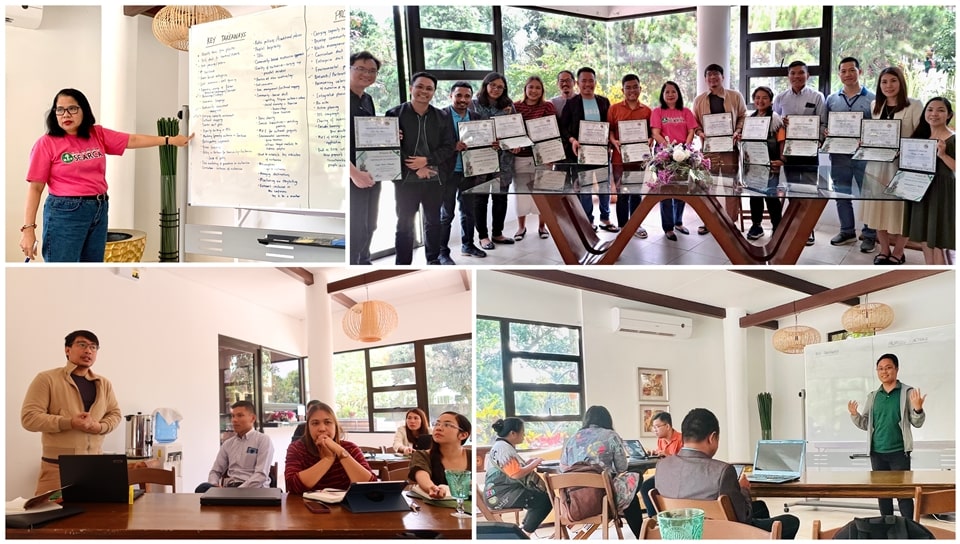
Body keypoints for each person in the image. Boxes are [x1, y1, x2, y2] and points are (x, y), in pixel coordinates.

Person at [21, 88, 194, 262]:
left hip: (99, 208)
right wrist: (28, 230)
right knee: (63, 271)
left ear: (84, 111)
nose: (66, 114)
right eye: (60, 110)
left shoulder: (96, 134)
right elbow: (35, 188)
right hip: (65, 212)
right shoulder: (46, 143)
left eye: (72, 109)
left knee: (93, 270)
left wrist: (169, 140)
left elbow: (131, 140)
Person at [655, 408, 800, 539]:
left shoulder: (662, 466)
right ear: (712, 438)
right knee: (791, 521)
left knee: (760, 507)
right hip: (722, 534)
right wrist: (742, 489)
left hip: (684, 534)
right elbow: (744, 519)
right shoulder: (722, 471)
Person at [21, 330, 121, 495]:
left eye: (93, 347)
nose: (88, 351)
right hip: (56, 468)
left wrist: (100, 427)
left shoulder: (104, 384)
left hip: (95, 469)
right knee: (48, 518)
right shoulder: (46, 379)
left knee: (94, 520)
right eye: (82, 345)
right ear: (67, 350)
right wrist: (69, 422)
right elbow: (29, 418)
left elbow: (115, 414)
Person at [385, 72, 455, 265]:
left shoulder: (442, 116)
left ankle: (433, 260)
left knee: (433, 223)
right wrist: (415, 168)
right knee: (405, 225)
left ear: (433, 92)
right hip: (406, 181)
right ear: (411, 88)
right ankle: (403, 263)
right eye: (420, 86)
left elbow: (449, 147)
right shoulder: (394, 114)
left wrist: (427, 161)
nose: (424, 91)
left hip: (434, 179)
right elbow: (389, 149)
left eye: (429, 88)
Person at [848, 353, 926, 519]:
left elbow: (917, 422)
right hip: (877, 452)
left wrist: (918, 409)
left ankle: (909, 529)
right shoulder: (873, 396)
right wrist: (854, 414)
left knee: (903, 494)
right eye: (880, 369)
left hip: (899, 452)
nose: (884, 371)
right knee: (883, 494)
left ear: (896, 369)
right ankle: (886, 528)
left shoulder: (907, 392)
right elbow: (865, 424)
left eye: (888, 367)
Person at [861, 67, 923, 265]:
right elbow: (873, 134)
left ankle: (898, 251)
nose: (888, 86)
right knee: (878, 208)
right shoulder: (875, 105)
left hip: (902, 167)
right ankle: (884, 249)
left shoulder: (914, 105)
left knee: (902, 211)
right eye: (884, 82)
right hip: (876, 165)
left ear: (901, 82)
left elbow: (920, 136)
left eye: (893, 81)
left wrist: (903, 150)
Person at [560, 405, 643, 538]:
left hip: (575, 501)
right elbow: (622, 467)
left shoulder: (571, 439)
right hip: (602, 498)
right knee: (637, 475)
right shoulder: (611, 436)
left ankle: (626, 513)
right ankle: (640, 533)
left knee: (630, 499)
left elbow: (563, 467)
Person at [824, 57, 877, 251]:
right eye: (843, 71)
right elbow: (824, 125)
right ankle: (847, 231)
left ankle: (870, 234)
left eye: (852, 70)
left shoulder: (872, 99)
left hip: (864, 156)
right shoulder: (831, 99)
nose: (848, 74)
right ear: (839, 74)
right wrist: (825, 131)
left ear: (859, 72)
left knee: (869, 194)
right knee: (841, 193)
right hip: (838, 155)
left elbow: (878, 128)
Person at [773, 60, 826, 247]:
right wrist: (781, 121)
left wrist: (819, 140)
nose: (796, 76)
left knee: (810, 189)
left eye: (800, 73)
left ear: (807, 75)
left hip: (810, 151)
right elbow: (774, 124)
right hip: (790, 151)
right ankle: (793, 225)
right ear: (788, 76)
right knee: (793, 188)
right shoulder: (780, 98)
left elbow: (823, 123)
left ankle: (807, 229)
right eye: (793, 73)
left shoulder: (817, 96)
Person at [559, 67, 618, 233]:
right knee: (585, 189)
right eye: (583, 81)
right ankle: (588, 220)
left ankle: (605, 218)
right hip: (581, 154)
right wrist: (573, 140)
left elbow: (610, 125)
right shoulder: (571, 104)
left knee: (604, 186)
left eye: (590, 80)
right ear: (578, 83)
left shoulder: (603, 101)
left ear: (595, 82)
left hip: (601, 153)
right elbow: (563, 127)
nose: (587, 84)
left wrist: (609, 141)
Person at [692, 64, 748, 236]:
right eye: (709, 76)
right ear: (705, 79)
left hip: (730, 149)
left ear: (723, 77)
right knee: (708, 187)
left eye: (716, 76)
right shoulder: (699, 100)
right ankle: (710, 222)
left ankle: (731, 222)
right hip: (709, 150)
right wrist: (700, 132)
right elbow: (695, 124)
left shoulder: (735, 96)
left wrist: (738, 131)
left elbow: (743, 116)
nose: (712, 79)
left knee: (731, 186)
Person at [902, 97, 955, 264]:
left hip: (941, 191)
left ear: (949, 115)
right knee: (924, 233)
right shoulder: (920, 136)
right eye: (930, 109)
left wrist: (943, 155)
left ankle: (940, 270)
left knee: (937, 236)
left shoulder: (952, 138)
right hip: (920, 189)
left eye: (940, 110)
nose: (934, 114)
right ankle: (929, 265)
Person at [440, 82, 488, 262]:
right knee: (446, 214)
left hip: (469, 172)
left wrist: (491, 145)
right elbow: (433, 144)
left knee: (469, 212)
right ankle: (442, 251)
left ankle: (468, 245)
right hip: (448, 173)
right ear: (450, 96)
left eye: (467, 96)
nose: (463, 100)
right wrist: (452, 147)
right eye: (458, 95)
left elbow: (482, 141)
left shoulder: (475, 117)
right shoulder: (441, 116)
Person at [285, 401, 377, 494]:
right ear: (308, 428)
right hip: (305, 506)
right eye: (315, 423)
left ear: (335, 426)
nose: (322, 428)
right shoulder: (297, 449)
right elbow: (292, 485)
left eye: (328, 422)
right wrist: (328, 459)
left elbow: (371, 486)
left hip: (345, 506)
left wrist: (340, 452)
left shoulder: (350, 448)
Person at [482, 418, 552, 537]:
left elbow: (511, 469)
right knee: (545, 501)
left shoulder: (500, 446)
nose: (524, 434)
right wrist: (534, 463)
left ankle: (522, 531)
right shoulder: (504, 449)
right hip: (500, 496)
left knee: (540, 498)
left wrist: (528, 463)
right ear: (513, 433)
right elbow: (516, 474)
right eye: (522, 431)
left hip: (496, 493)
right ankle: (524, 535)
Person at [472, 72, 518, 250]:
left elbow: (514, 131)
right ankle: (483, 236)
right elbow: (468, 130)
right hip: (481, 158)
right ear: (486, 85)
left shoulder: (508, 105)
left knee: (501, 198)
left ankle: (497, 233)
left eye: (500, 86)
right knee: (480, 198)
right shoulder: (474, 104)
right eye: (493, 85)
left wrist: (514, 144)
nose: (496, 89)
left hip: (504, 159)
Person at [650, 81, 699, 241]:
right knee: (666, 190)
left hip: (684, 154)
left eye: (673, 91)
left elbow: (691, 131)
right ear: (663, 95)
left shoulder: (686, 111)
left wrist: (685, 147)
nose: (670, 94)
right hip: (664, 154)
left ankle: (678, 221)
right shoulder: (657, 112)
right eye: (667, 92)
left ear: (678, 94)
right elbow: (656, 133)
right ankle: (668, 227)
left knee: (680, 189)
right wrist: (670, 148)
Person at [348, 51, 383, 265]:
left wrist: (390, 135)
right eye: (360, 68)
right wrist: (353, 174)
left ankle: (364, 259)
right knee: (356, 226)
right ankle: (353, 264)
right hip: (352, 176)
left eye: (372, 71)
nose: (366, 74)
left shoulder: (368, 99)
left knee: (371, 223)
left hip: (371, 171)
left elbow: (369, 134)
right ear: (349, 68)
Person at [608, 73, 652, 239]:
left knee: (635, 193)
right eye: (628, 87)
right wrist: (614, 140)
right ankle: (623, 226)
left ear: (640, 88)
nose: (632, 90)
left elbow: (651, 133)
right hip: (619, 158)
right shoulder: (614, 109)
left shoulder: (647, 111)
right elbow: (610, 130)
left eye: (635, 87)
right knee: (621, 194)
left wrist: (650, 139)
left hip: (639, 158)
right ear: (623, 90)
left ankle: (636, 224)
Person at [195, 400, 275, 492]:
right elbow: (215, 471)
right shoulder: (228, 444)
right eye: (233, 416)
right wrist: (215, 486)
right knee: (202, 488)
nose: (234, 420)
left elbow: (261, 475)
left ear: (252, 418)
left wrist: (238, 491)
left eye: (240, 415)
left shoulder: (263, 440)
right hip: (230, 488)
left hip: (254, 490)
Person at [512, 75, 556, 241]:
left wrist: (552, 155)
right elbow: (511, 131)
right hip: (520, 157)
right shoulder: (516, 107)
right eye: (531, 87)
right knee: (521, 192)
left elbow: (552, 131)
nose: (534, 91)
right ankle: (521, 227)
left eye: (538, 88)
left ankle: (542, 227)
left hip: (543, 157)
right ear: (525, 88)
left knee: (543, 194)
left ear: (542, 91)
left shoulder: (548, 107)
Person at [745, 86, 785, 239]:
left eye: (764, 98)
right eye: (757, 98)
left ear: (770, 101)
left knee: (771, 197)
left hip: (771, 165)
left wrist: (781, 160)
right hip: (754, 166)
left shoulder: (775, 119)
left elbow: (781, 141)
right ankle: (756, 226)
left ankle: (777, 227)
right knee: (754, 196)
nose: (760, 101)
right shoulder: (751, 118)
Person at [409, 411, 472, 498]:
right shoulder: (422, 455)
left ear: (463, 435)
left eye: (447, 425)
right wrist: (432, 488)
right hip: (434, 509)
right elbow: (422, 476)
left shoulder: (472, 456)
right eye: (437, 424)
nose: (439, 428)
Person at [639, 411, 683, 518]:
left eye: (657, 427)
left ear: (667, 426)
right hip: (664, 474)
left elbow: (684, 462)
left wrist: (667, 455)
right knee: (645, 487)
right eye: (653, 427)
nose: (654, 430)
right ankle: (654, 519)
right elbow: (661, 455)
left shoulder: (681, 439)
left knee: (651, 487)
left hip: (678, 476)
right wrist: (654, 453)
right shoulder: (660, 440)